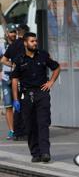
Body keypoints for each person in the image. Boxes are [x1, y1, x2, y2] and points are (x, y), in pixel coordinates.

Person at [11, 32, 60, 163]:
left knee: (43, 123)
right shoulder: (19, 60)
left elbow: (56, 67)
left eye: (36, 41)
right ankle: (35, 153)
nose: (35, 43)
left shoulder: (43, 55)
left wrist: (51, 82)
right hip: (26, 95)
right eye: (32, 41)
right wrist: (15, 99)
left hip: (41, 93)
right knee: (30, 125)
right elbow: (15, 79)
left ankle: (45, 152)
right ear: (25, 43)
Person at [1, 24, 30, 140]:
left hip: (14, 78)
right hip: (24, 78)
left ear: (18, 32)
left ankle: (16, 131)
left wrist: (13, 65)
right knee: (24, 105)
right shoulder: (26, 44)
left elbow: (3, 59)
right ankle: (22, 131)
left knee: (17, 104)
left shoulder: (12, 46)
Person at [0, 24, 17, 140]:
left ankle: (21, 129)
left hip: (18, 78)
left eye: (14, 32)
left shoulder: (20, 44)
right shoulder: (2, 45)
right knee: (8, 106)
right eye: (11, 32)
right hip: (6, 78)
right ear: (7, 34)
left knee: (21, 104)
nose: (13, 34)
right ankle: (12, 130)